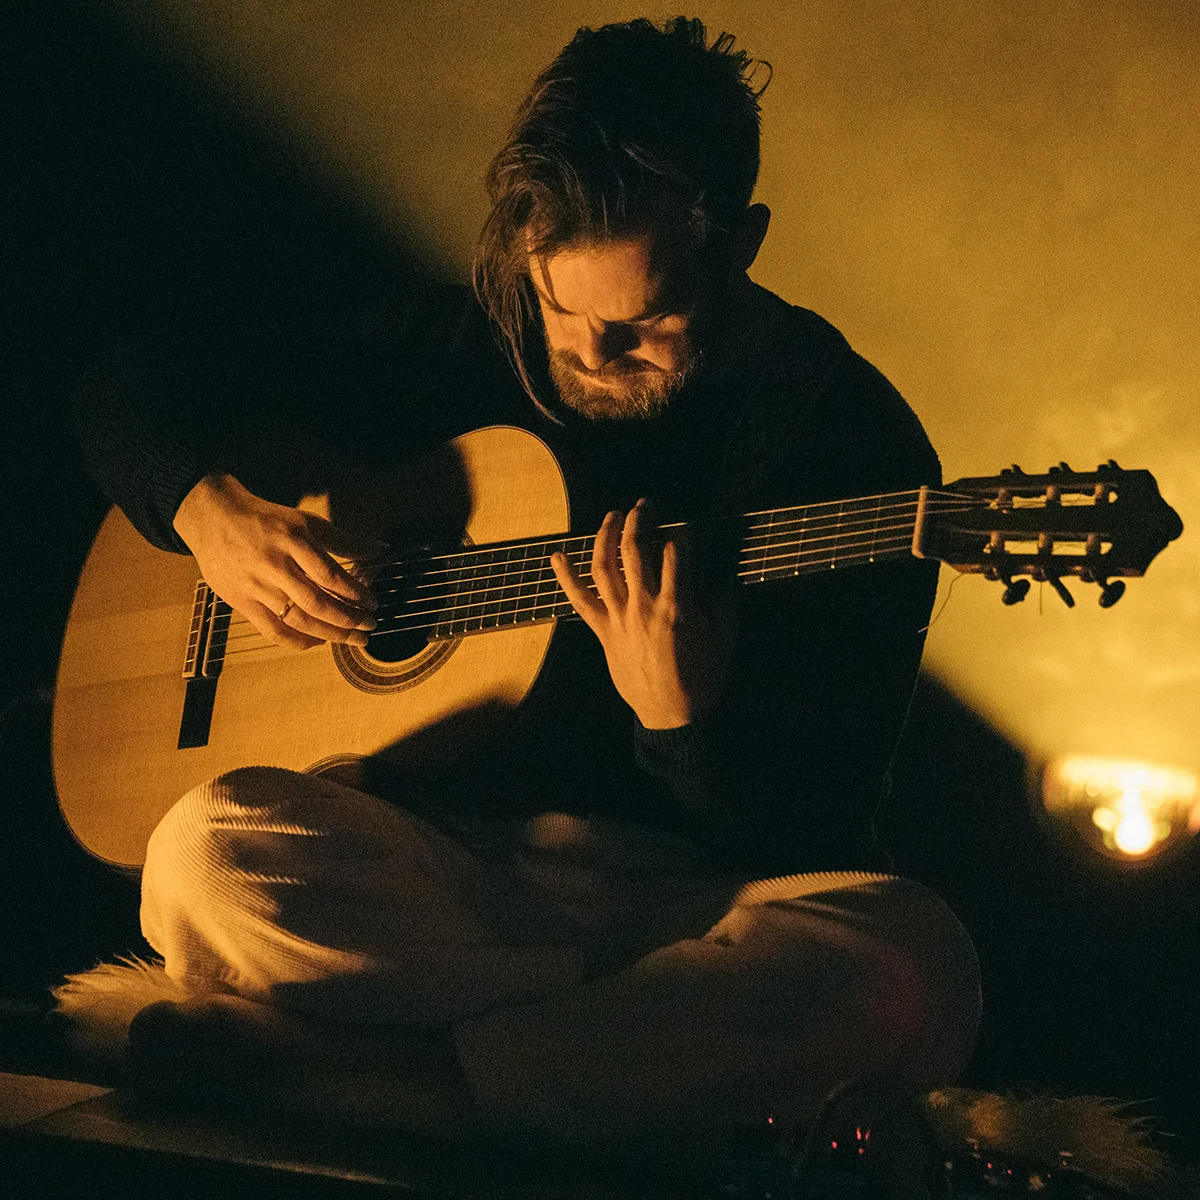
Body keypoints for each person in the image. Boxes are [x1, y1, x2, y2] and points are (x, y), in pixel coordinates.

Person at [70, 17, 979, 1147]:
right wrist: (210, 513)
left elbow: (815, 827)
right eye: (561, 307)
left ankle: (378, 1075)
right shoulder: (462, 343)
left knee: (909, 962)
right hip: (431, 872)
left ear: (739, 243)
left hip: (673, 906)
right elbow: (124, 382)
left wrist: (682, 719)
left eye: (644, 321)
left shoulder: (851, 443)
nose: (593, 353)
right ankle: (573, 1064)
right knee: (204, 853)